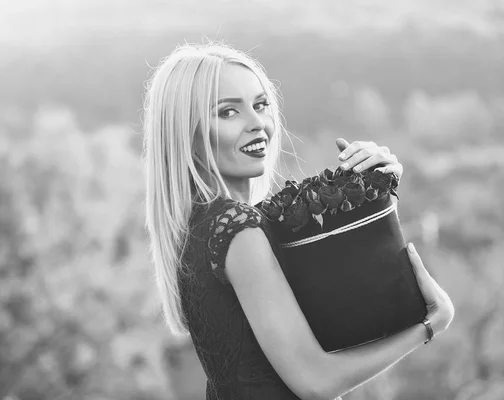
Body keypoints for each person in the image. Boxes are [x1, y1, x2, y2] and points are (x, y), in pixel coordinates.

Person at [143, 42, 454, 400]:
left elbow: (348, 300)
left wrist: (380, 187)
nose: (257, 124)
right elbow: (315, 381)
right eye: (228, 112)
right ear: (187, 134)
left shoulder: (208, 226)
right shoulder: (238, 229)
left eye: (260, 106)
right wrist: (430, 324)